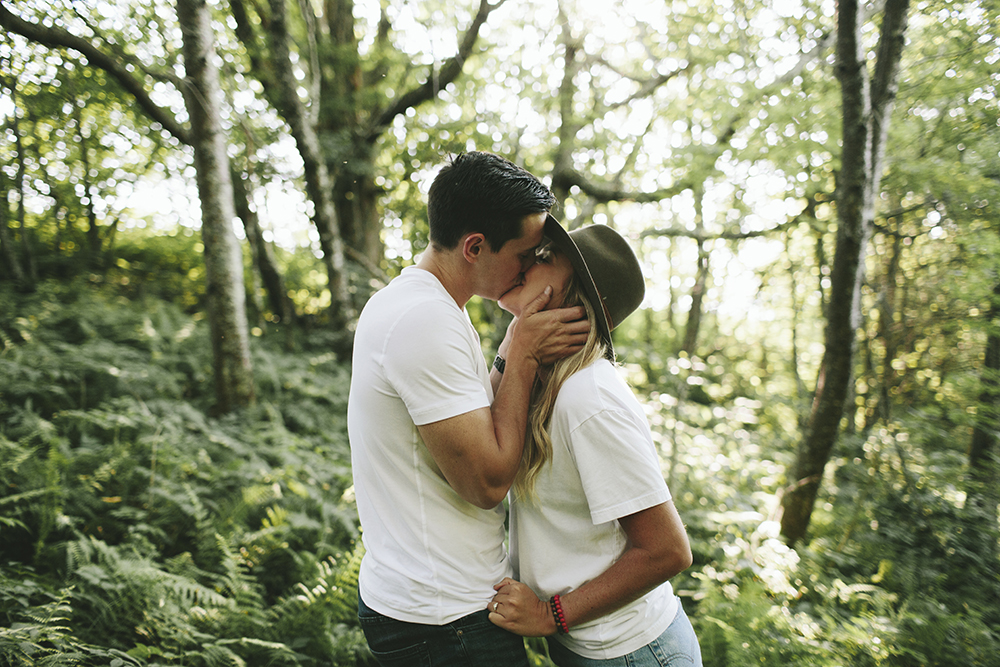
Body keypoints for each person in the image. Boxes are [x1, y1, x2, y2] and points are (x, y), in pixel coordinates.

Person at [348, 151, 591, 666]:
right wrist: (523, 352)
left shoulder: (422, 304)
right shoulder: (424, 320)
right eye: (525, 254)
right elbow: (485, 483)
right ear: (475, 247)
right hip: (444, 622)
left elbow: (471, 426)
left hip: (436, 607)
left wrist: (508, 350)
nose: (530, 267)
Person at [486, 218, 702, 666]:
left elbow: (668, 550)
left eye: (545, 258)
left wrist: (550, 615)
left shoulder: (589, 398)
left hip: (636, 652)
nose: (528, 261)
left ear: (577, 298)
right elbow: (483, 447)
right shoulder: (540, 380)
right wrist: (513, 347)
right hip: (587, 647)